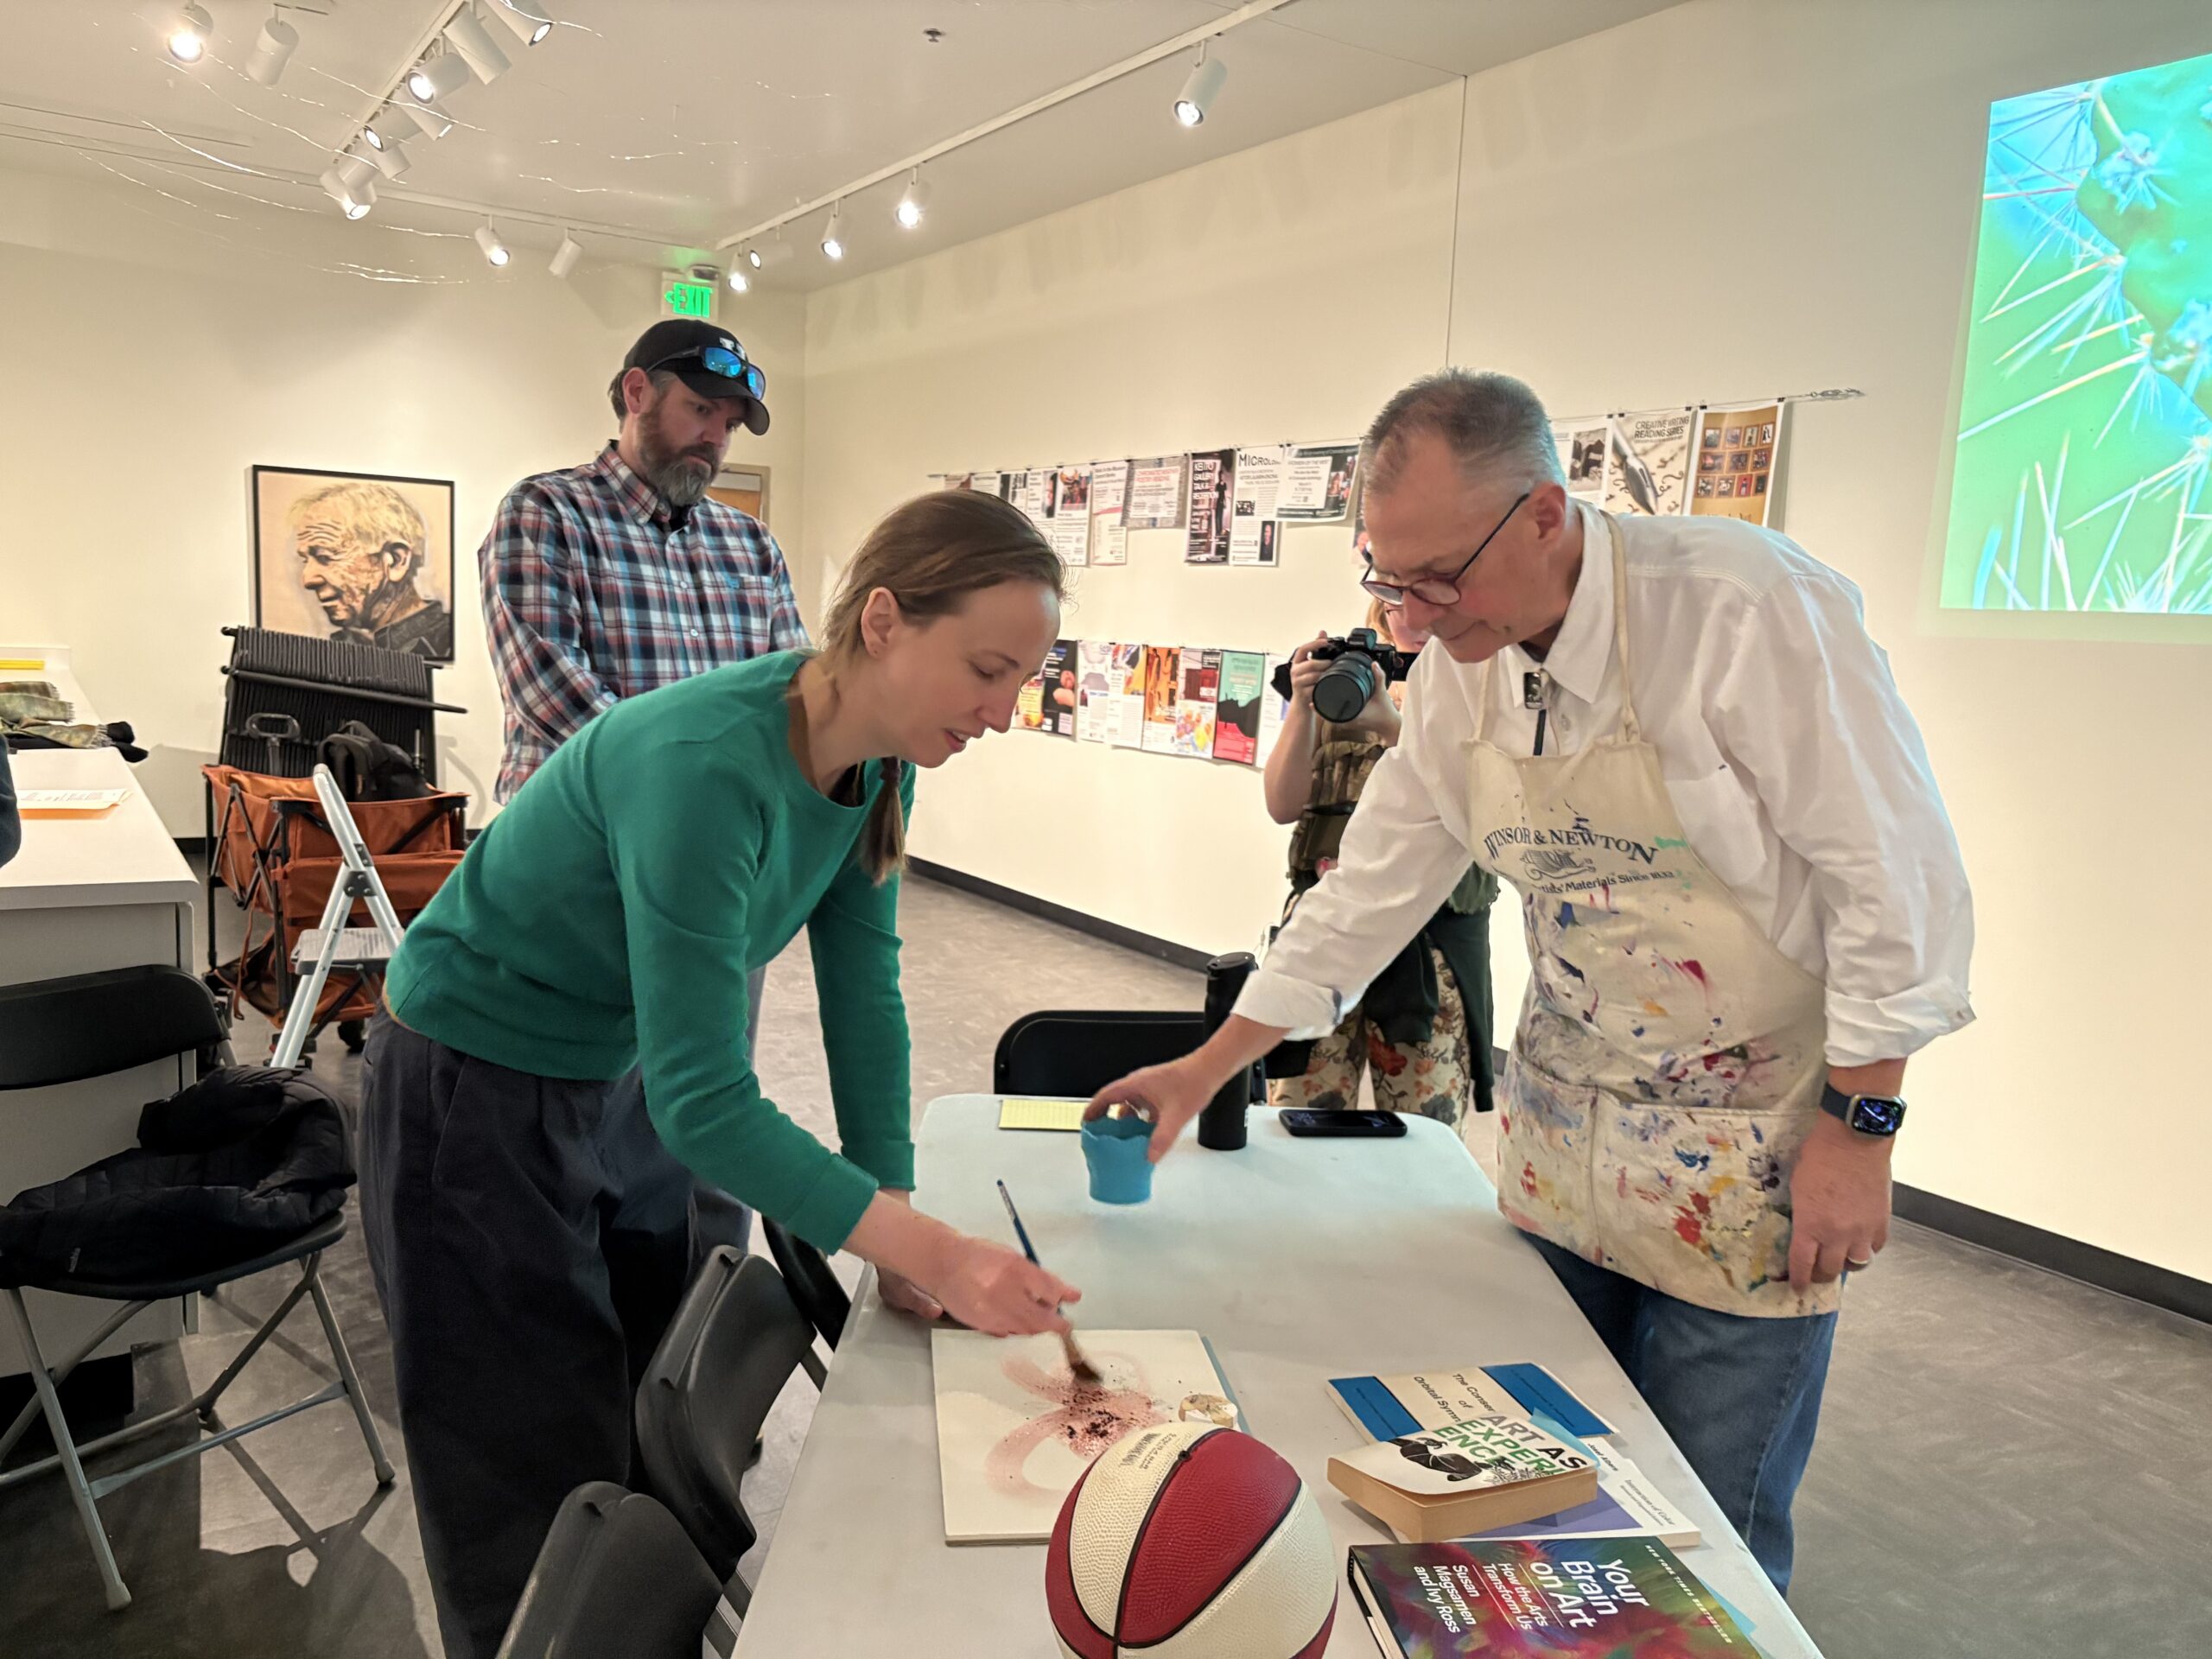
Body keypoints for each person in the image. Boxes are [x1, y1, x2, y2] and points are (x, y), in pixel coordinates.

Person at [1090, 370, 1974, 1595]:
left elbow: (1894, 878)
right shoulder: (1459, 663)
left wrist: (1862, 1127)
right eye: (1385, 579)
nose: (1410, 613)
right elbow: (1366, 894)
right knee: (1535, 1467)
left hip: (1753, 1145)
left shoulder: (1741, 610)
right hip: (1567, 1132)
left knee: (1705, 1520)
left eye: (1438, 577)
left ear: (1549, 513)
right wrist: (1208, 1064)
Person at [359, 489, 1082, 1658]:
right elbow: (710, 1103)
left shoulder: (882, 763)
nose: (1002, 712)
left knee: (656, 1414)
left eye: (1022, 682)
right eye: (988, 670)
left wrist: (891, 1216)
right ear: (886, 621)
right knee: (525, 1472)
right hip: (477, 1087)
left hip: (622, 1067)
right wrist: (926, 1248)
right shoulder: (703, 763)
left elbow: (865, 995)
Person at [479, 318, 800, 1250]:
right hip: (589, 879)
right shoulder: (545, 516)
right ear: (634, 393)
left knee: (709, 1104)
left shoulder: (751, 551)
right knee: (590, 1118)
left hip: (726, 882)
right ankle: (591, 1319)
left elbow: (793, 705)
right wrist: (694, 817)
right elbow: (551, 692)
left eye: (730, 422)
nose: (715, 436)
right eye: (701, 409)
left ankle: (705, 1321)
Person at [1262, 597, 1496, 1130]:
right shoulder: (1344, 682)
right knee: (1302, 1108)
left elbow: (1486, 812)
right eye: (1394, 604)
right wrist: (1303, 706)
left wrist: (1394, 726)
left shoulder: (1484, 682)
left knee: (1425, 1122)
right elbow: (1281, 805)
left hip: (1433, 934)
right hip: (1329, 923)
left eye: (1426, 603)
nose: (1410, 620)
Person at [288, 480, 454, 660]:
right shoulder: (334, 653)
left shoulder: (450, 642)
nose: (308, 579)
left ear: (396, 561)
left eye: (324, 557)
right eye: (306, 560)